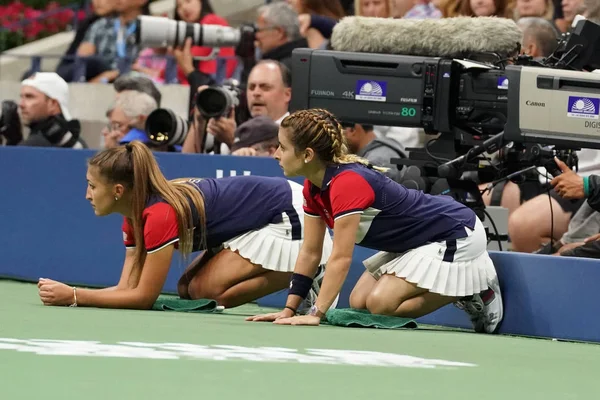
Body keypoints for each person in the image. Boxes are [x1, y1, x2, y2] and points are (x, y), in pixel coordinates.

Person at [247, 109, 504, 334]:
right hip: (413, 242)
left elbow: (341, 257)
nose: (276, 154)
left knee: (382, 305)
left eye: (282, 147)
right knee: (359, 302)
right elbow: (311, 251)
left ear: (307, 155)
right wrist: (289, 309)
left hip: (455, 231)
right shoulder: (312, 189)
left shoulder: (346, 184)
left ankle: (473, 287)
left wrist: (316, 313)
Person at [37, 141, 333, 310]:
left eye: (92, 186)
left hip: (287, 212)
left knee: (210, 292)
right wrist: (74, 294)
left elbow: (143, 297)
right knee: (188, 291)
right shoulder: (132, 219)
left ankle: (309, 270)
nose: (87, 195)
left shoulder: (159, 214)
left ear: (117, 191)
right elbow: (127, 287)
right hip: (252, 220)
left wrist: (74, 295)